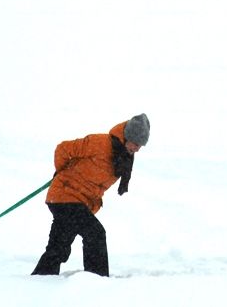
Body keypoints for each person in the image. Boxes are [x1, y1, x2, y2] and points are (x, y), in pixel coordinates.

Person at [31, 113, 150, 277]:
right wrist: (61, 173)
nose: (137, 149)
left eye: (140, 146)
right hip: (65, 196)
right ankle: (97, 281)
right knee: (96, 234)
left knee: (58, 248)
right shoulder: (99, 143)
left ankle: (40, 281)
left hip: (76, 202)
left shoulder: (123, 157)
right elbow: (63, 149)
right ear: (126, 137)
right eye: (136, 143)